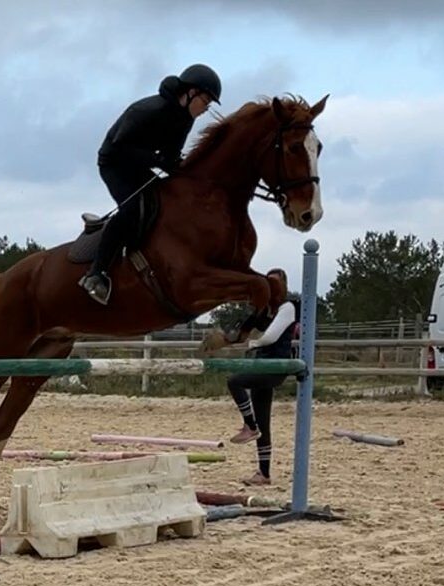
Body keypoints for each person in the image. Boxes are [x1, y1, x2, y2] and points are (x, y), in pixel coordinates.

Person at [80, 64, 222, 305]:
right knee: (133, 208)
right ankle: (95, 274)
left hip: (139, 164)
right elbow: (120, 148)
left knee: (167, 198)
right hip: (114, 163)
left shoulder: (184, 119)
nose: (205, 108)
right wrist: (159, 161)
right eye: (205, 101)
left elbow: (172, 155)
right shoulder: (148, 110)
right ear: (189, 93)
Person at [208, 268, 298, 486]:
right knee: (264, 421)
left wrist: (253, 343)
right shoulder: (263, 310)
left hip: (276, 365)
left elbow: (270, 337)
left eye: (276, 284)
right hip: (263, 364)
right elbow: (242, 333)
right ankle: (264, 473)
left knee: (235, 381)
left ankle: (249, 425)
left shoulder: (287, 308)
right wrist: (222, 341)